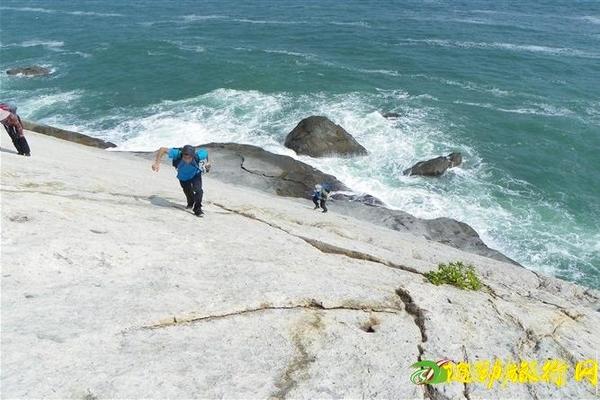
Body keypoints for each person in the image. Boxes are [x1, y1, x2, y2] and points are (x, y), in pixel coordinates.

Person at [152, 144, 211, 217]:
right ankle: (190, 203)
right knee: (188, 192)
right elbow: (162, 149)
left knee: (199, 190)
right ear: (182, 154)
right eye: (184, 157)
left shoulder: (198, 156)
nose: (186, 160)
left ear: (192, 156)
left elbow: (205, 153)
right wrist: (157, 163)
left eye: (188, 158)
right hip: (183, 177)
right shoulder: (177, 154)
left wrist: (207, 162)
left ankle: (197, 209)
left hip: (195, 174)